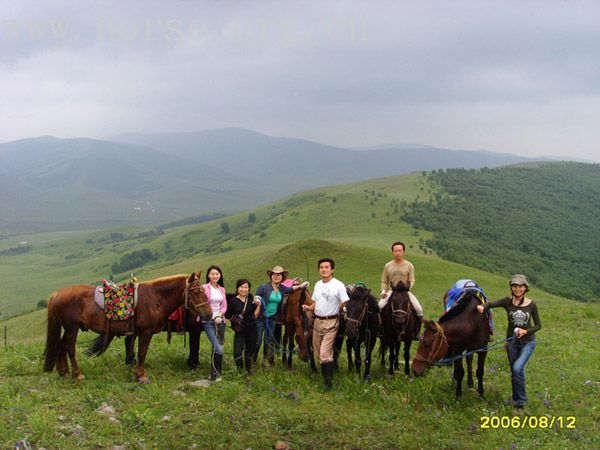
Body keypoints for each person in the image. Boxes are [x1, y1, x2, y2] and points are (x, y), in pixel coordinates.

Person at [477, 274, 542, 410]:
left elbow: (538, 326)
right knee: (514, 371)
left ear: (525, 288)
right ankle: (515, 398)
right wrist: (482, 307)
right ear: (511, 287)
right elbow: (491, 304)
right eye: (515, 286)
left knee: (518, 368)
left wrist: (526, 331)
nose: (517, 289)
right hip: (512, 342)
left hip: (528, 343)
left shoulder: (531, 304)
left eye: (520, 286)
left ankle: (521, 400)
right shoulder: (507, 302)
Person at [302, 258, 349, 390]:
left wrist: (339, 310)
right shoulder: (317, 285)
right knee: (318, 351)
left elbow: (345, 301)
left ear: (332, 269)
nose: (323, 269)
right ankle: (332, 367)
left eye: (326, 267)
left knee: (324, 353)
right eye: (321, 267)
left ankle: (328, 383)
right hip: (317, 322)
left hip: (331, 322)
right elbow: (316, 302)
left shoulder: (338, 285)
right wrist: (308, 308)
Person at [255, 265, 309, 368]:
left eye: (279, 275)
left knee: (269, 341)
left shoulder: (281, 288)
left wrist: (301, 286)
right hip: (261, 318)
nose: (276, 276)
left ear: (282, 277)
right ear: (271, 276)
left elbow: (291, 288)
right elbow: (257, 296)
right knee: (257, 341)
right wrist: (257, 300)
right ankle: (253, 361)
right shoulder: (264, 287)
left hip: (272, 319)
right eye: (274, 274)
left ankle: (267, 362)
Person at [378, 241, 423, 339]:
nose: (397, 253)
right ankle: (380, 330)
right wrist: (383, 291)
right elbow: (384, 280)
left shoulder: (409, 265)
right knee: (380, 306)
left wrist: (407, 289)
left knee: (419, 309)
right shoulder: (388, 265)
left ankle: (417, 332)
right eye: (395, 251)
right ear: (392, 252)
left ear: (403, 252)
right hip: (391, 291)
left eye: (400, 251)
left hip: (405, 292)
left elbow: (412, 280)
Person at [225, 279, 261, 373]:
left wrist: (258, 306)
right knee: (237, 351)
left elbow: (256, 315)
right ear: (237, 288)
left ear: (248, 289)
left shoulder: (250, 300)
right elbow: (227, 315)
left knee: (249, 352)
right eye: (241, 287)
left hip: (252, 329)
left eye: (246, 287)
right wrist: (236, 319)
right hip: (240, 330)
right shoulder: (232, 301)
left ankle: (248, 370)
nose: (244, 289)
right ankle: (240, 370)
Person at [202, 265, 228, 381]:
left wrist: (220, 314)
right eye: (212, 274)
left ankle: (214, 373)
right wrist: (213, 315)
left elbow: (224, 305)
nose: (215, 276)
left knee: (216, 347)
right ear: (208, 275)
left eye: (217, 274)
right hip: (208, 321)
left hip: (220, 321)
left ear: (220, 275)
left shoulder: (221, 289)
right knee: (219, 348)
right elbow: (203, 305)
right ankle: (217, 373)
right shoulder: (204, 288)